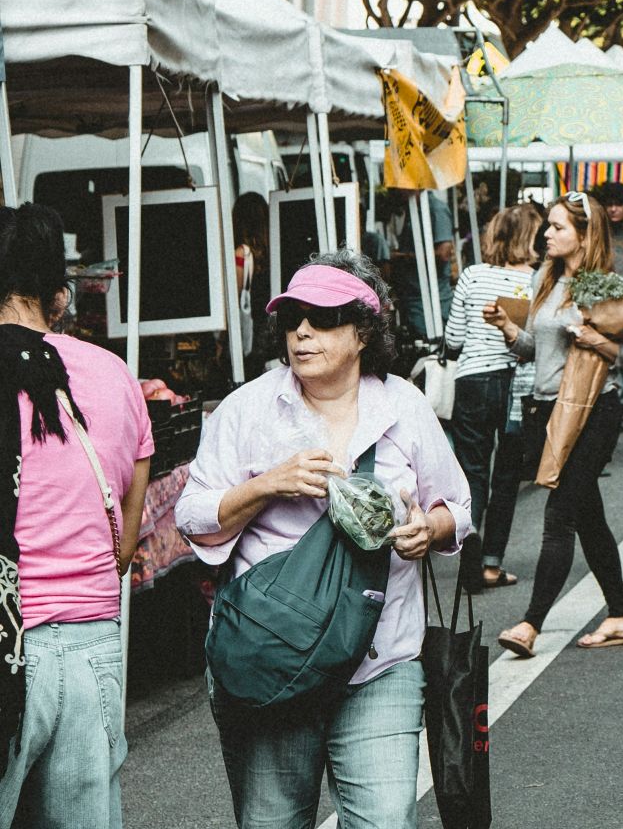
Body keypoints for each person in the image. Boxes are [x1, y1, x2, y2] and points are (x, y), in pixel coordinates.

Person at [178, 252, 471, 827]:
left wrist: (425, 530)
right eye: (292, 321)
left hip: (379, 662)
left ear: (362, 332)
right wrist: (268, 484)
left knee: (386, 821)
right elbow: (193, 516)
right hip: (271, 661)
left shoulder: (403, 407)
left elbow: (456, 508)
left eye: (322, 318)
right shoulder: (249, 409)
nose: (303, 332)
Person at [0, 204, 151, 829]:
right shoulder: (114, 376)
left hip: (8, 639)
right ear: (57, 291)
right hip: (93, 646)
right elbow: (126, 545)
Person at [488, 193, 623, 657]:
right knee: (588, 517)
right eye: (548, 227)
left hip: (594, 412)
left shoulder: (609, 287)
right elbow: (537, 350)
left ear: (584, 234)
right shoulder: (546, 278)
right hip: (546, 412)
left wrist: (597, 339)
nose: (547, 234)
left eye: (557, 227)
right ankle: (621, 615)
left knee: (559, 516)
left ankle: (530, 624)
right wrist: (509, 330)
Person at [445, 204, 541, 590]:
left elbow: (453, 339)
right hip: (519, 387)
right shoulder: (539, 282)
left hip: (473, 381)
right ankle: (491, 563)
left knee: (472, 470)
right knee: (507, 475)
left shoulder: (472, 275)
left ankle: (468, 546)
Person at [390, 187, 457, 337]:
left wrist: (403, 256)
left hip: (431, 302)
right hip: (414, 297)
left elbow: (443, 253)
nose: (397, 190)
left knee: (430, 348)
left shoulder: (435, 208)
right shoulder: (413, 209)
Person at [232, 192, 272, 374]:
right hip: (269, 334)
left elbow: (234, 297)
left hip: (249, 336)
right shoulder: (273, 250)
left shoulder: (242, 254)